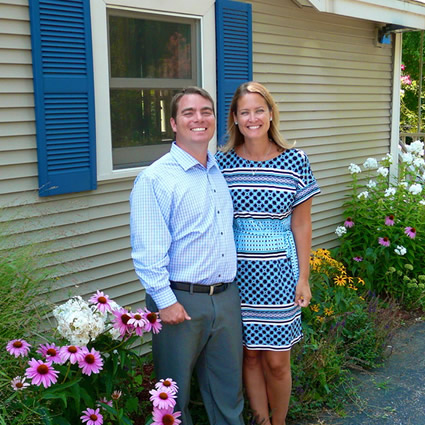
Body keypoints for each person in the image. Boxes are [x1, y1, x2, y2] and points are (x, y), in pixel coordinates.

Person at [130, 86, 245, 425]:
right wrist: (165, 301)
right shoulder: (155, 178)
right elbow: (147, 251)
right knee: (172, 398)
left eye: (206, 111)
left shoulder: (218, 171)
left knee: (227, 390)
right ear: (173, 123)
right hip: (179, 298)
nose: (199, 119)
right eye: (189, 113)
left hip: (224, 298)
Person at [215, 82, 320, 425]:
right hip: (236, 276)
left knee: (276, 360)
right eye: (245, 112)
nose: (253, 118)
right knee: (249, 356)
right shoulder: (221, 163)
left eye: (259, 110)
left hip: (279, 273)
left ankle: (279, 421)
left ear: (270, 113)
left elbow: (301, 225)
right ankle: (259, 420)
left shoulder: (295, 160)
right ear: (235, 118)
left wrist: (303, 278)